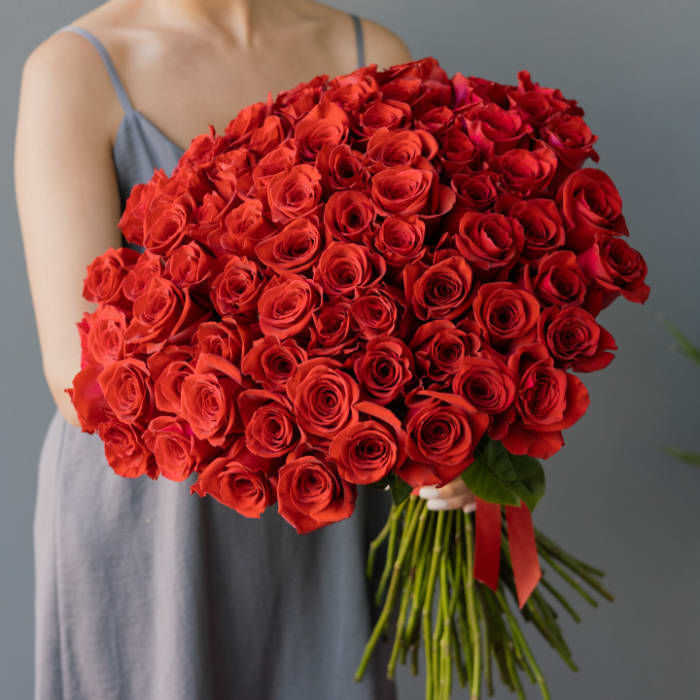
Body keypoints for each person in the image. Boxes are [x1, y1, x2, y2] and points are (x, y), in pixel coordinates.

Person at [15, 2, 471, 698]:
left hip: (325, 513)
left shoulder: (366, 48)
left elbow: (426, 300)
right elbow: (80, 378)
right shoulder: (73, 69)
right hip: (158, 518)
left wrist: (456, 432)